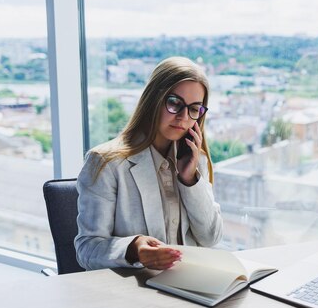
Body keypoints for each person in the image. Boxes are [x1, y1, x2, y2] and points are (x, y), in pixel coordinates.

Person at [75, 56, 223, 271]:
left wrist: (190, 180)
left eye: (194, 109)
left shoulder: (195, 159)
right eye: (174, 103)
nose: (183, 117)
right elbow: (87, 249)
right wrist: (133, 249)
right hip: (137, 292)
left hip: (191, 285)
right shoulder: (106, 163)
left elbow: (211, 238)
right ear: (153, 99)